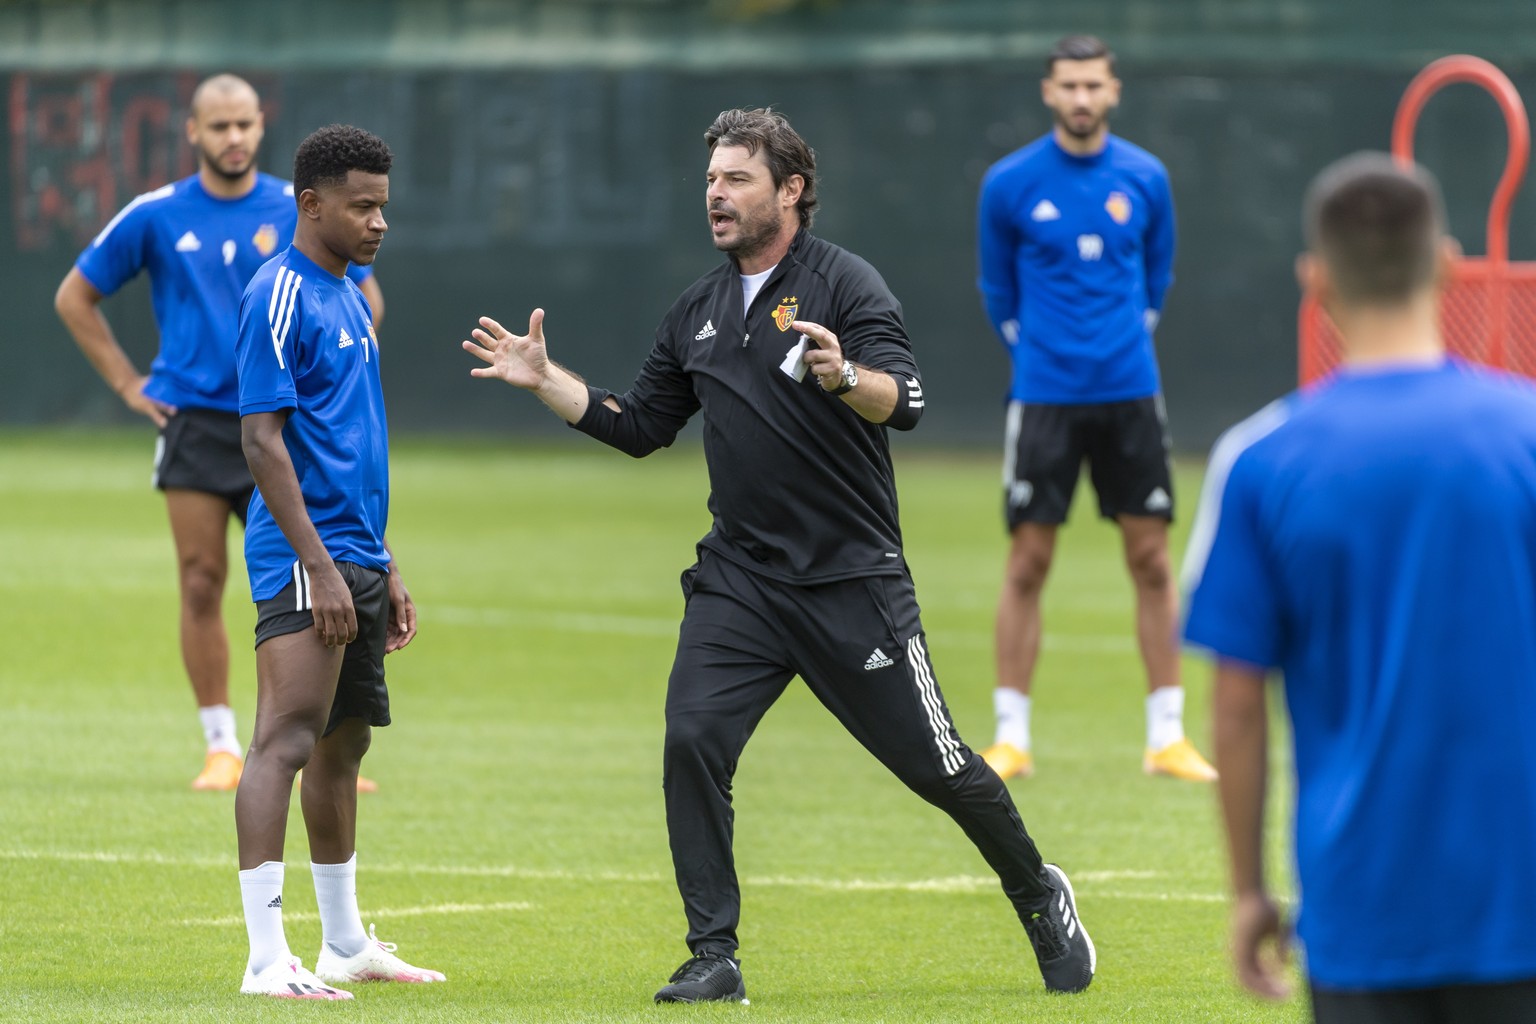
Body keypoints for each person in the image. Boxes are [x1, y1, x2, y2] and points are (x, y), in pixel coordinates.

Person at [462, 106, 1095, 1004]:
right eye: (711, 180)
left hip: (852, 582)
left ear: (789, 190)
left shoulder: (846, 286)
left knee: (940, 766)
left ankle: (1038, 893)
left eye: (736, 179)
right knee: (692, 740)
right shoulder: (698, 310)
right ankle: (713, 955)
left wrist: (844, 378)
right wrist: (550, 383)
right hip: (742, 583)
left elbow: (903, 399)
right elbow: (642, 427)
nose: (715, 196)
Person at [1183, 153, 1536, 1023]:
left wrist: (1248, 892)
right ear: (1450, 265)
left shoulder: (1260, 461)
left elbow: (1236, 703)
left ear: (1315, 279)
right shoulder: (1526, 431)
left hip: (1360, 909)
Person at [54, 74, 385, 792]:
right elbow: (74, 295)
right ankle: (221, 744)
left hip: (285, 429)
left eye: (245, 124)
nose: (233, 138)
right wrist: (126, 383)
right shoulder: (157, 214)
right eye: (219, 127)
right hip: (198, 425)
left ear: (260, 128)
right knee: (202, 580)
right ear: (193, 133)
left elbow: (365, 304)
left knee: (312, 576)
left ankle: (323, 741)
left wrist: (327, 396)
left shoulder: (302, 207)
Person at [231, 124, 442, 999]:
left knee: (343, 743)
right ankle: (263, 959)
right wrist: (318, 564)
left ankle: (345, 943)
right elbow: (262, 440)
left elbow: (350, 446)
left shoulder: (351, 293)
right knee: (283, 740)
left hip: (354, 554)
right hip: (299, 557)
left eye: (384, 207)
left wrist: (381, 563)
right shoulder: (279, 293)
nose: (378, 222)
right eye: (362, 207)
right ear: (310, 204)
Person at [974, 35, 1214, 782]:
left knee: (1149, 558)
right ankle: (1011, 737)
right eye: (1068, 85)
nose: (1081, 98)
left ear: (1113, 92)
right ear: (1049, 92)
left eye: (1094, 85)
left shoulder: (1146, 176)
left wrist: (1115, 349)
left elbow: (1158, 276)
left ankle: (1166, 737)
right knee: (1029, 562)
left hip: (1130, 394)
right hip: (1044, 398)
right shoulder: (1008, 183)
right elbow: (997, 292)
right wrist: (1044, 357)